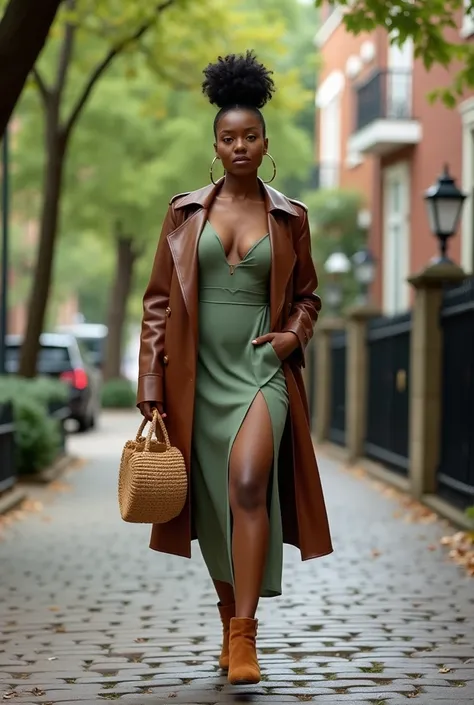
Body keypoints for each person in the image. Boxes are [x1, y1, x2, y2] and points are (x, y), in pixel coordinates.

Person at [137, 50, 332, 686]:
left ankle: (245, 635)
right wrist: (150, 388)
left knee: (249, 483)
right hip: (196, 377)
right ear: (215, 145)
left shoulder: (290, 216)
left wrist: (289, 336)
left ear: (265, 142)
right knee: (215, 503)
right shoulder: (185, 213)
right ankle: (227, 620)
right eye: (229, 137)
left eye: (250, 136)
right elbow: (159, 303)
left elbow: (308, 295)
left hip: (259, 371)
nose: (240, 145)